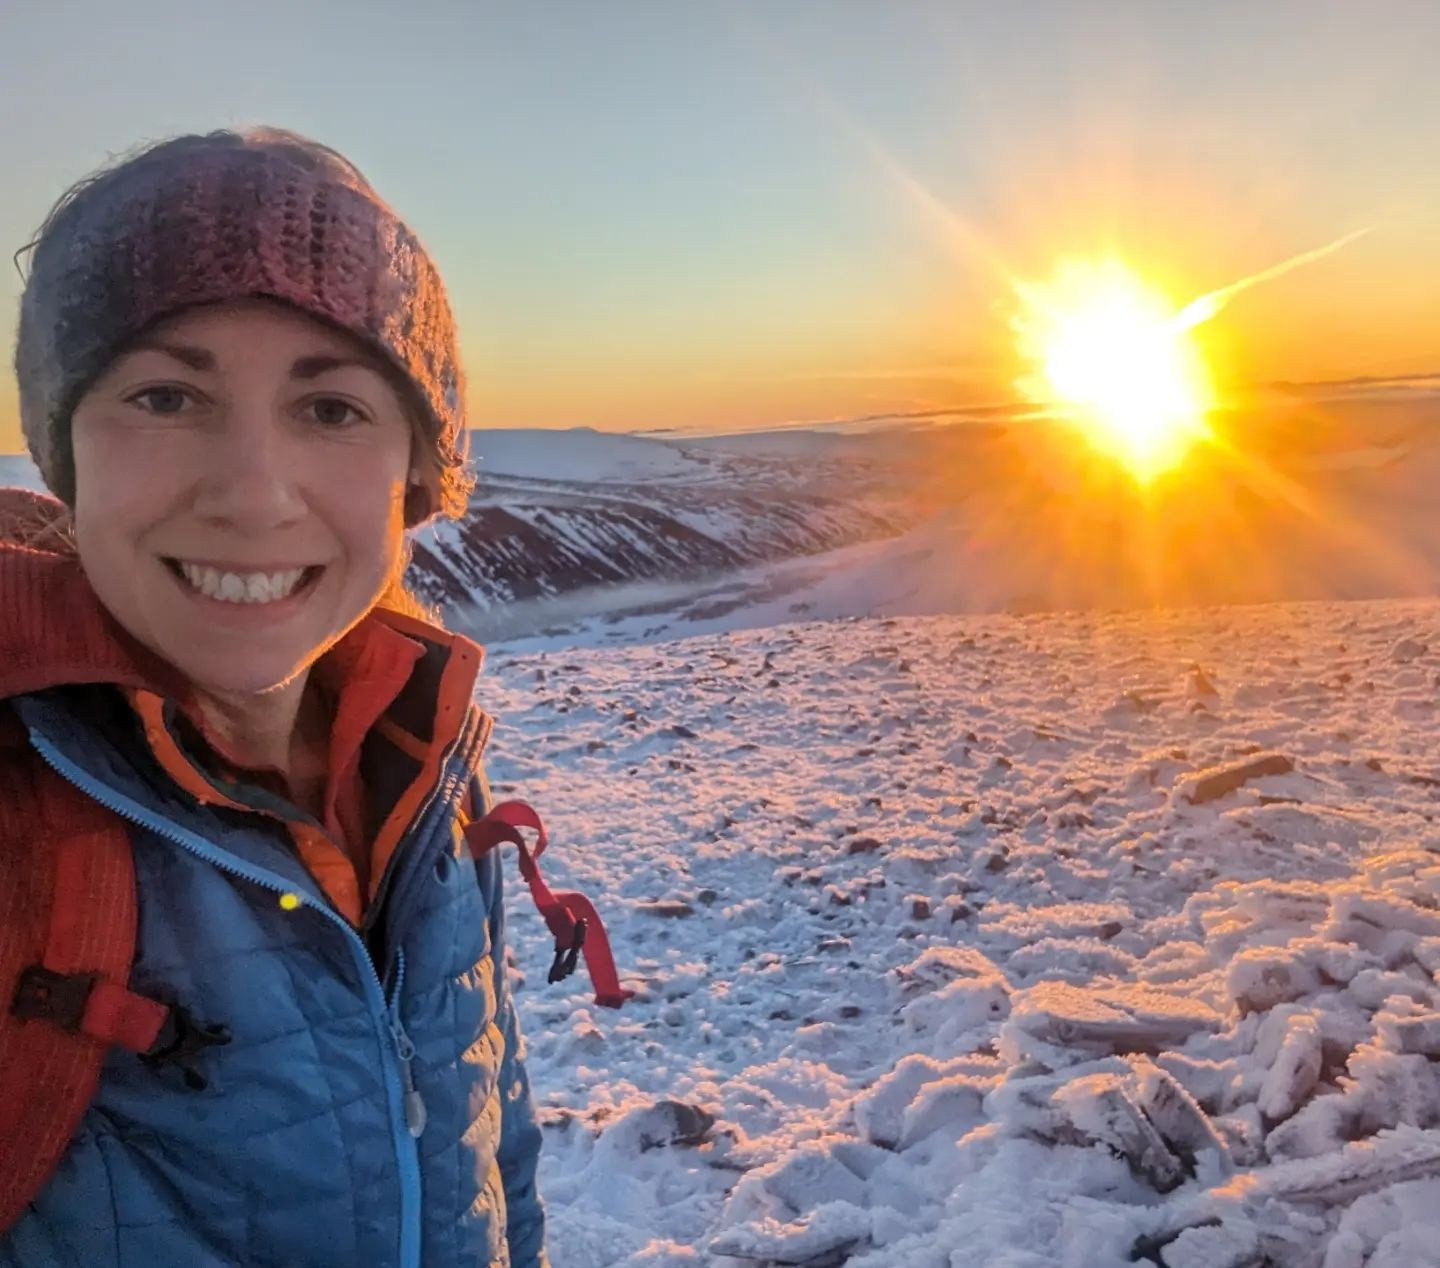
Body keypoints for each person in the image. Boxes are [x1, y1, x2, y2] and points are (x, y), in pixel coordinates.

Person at [0, 127, 548, 1267]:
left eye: (333, 408)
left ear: (413, 472)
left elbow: (495, 1131)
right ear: (65, 455)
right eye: (164, 396)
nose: (253, 496)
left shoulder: (424, 750)